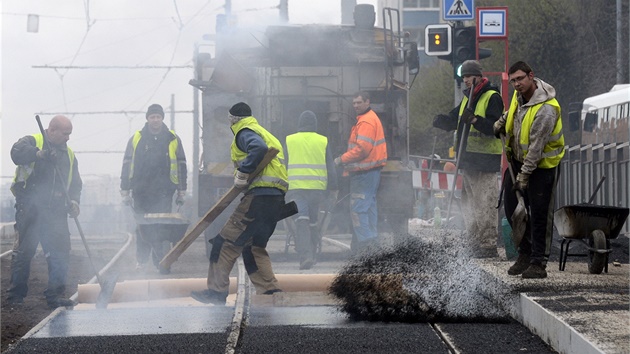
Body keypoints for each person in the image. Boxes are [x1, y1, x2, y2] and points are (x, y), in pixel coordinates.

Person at [191, 102, 289, 305]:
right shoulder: (263, 131)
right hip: (276, 198)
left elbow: (258, 148)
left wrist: (243, 172)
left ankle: (216, 292)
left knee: (224, 243)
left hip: (258, 198)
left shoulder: (244, 131)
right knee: (254, 247)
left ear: (232, 119)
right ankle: (271, 292)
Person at [493, 61, 564, 279]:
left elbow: (536, 148)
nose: (516, 84)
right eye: (513, 80)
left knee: (539, 214)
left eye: (520, 78)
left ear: (531, 76)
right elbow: (512, 114)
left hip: (541, 168)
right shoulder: (518, 97)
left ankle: (538, 262)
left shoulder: (546, 109)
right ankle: (524, 253)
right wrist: (500, 122)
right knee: (512, 208)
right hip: (517, 163)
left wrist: (524, 176)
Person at [7, 115, 82, 309]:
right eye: (65, 134)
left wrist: (74, 202)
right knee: (24, 251)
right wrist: (38, 154)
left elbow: (75, 184)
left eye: (69, 134)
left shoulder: (69, 155)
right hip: (29, 208)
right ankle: (15, 297)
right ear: (52, 130)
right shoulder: (33, 141)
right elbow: (16, 153)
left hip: (56, 212)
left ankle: (55, 294)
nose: (68, 138)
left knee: (60, 252)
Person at [432, 60, 504, 258]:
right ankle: (473, 242)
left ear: (479, 76)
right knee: (469, 204)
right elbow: (456, 119)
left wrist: (475, 120)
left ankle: (488, 245)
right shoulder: (467, 99)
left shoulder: (492, 97)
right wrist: (443, 121)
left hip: (485, 160)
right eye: (463, 77)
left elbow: (495, 128)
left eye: (468, 76)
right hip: (468, 160)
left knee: (485, 203)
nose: (465, 80)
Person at [120, 103, 187, 274]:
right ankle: (141, 261)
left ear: (162, 118)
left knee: (162, 227)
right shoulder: (137, 138)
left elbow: (181, 165)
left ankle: (162, 263)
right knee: (142, 227)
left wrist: (182, 190)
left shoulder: (172, 138)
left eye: (158, 116)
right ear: (147, 119)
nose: (155, 120)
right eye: (152, 117)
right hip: (141, 190)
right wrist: (125, 190)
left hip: (164, 191)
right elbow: (127, 164)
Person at [334, 91, 387, 252]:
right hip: (370, 172)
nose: (356, 105)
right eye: (354, 103)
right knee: (369, 208)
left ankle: (366, 247)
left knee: (358, 210)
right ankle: (373, 243)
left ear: (367, 102)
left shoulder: (366, 122)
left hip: (363, 173)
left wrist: (341, 159)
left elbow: (362, 149)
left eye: (359, 102)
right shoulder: (369, 119)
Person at [285, 110, 338, 270]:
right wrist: (334, 188)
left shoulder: (289, 140)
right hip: (317, 190)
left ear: (299, 123)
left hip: (296, 189)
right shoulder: (322, 141)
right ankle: (312, 255)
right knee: (313, 222)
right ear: (314, 124)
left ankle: (305, 257)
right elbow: (330, 166)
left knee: (302, 220)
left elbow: (283, 164)